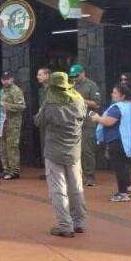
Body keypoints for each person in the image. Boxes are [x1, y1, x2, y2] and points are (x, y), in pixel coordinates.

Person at [34, 72, 86, 238]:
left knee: (58, 189)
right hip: (74, 152)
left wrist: (45, 105)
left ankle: (65, 225)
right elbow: (83, 116)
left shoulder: (50, 103)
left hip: (54, 152)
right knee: (76, 187)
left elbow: (38, 121)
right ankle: (79, 222)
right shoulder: (78, 99)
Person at [92, 83, 131, 202]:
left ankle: (123, 193)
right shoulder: (130, 105)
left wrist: (97, 118)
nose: (112, 94)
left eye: (115, 93)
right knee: (123, 165)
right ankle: (128, 187)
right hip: (125, 140)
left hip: (116, 140)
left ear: (122, 96)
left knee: (119, 167)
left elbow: (108, 122)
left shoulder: (117, 107)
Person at [69, 64, 101, 186]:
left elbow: (97, 104)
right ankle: (75, 175)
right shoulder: (70, 85)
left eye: (76, 76)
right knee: (73, 151)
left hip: (87, 122)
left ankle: (89, 176)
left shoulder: (91, 86)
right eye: (72, 76)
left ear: (82, 73)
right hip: (72, 122)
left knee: (87, 150)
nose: (74, 78)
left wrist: (80, 99)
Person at [0, 71, 26, 180]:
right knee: (2, 146)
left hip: (13, 123)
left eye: (8, 78)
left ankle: (14, 170)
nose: (6, 80)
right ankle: (6, 169)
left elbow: (22, 106)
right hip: (2, 123)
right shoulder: (1, 91)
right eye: (4, 78)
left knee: (12, 147)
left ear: (12, 79)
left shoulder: (16, 90)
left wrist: (6, 105)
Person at [37, 67, 51, 179]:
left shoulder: (53, 89)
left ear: (47, 75)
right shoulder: (41, 90)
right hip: (43, 122)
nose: (38, 77)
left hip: (52, 121)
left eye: (40, 74)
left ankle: (52, 171)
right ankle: (48, 170)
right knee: (44, 145)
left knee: (51, 146)